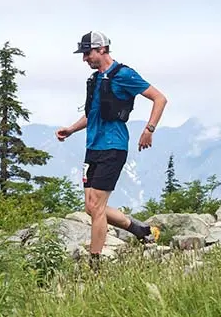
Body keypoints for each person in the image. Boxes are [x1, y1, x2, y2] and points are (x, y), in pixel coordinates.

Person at [56, 31, 168, 270]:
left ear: (102, 49)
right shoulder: (95, 80)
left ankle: (94, 266)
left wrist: (149, 129)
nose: (85, 58)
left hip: (113, 147)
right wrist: (71, 130)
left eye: (88, 53)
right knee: (91, 207)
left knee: (96, 207)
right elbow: (92, 114)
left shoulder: (124, 75)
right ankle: (140, 230)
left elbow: (159, 99)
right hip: (92, 147)